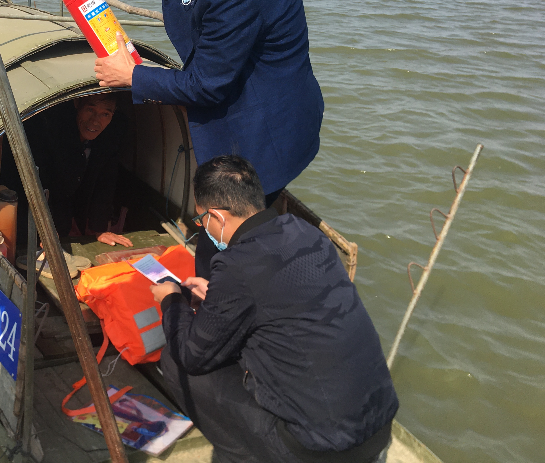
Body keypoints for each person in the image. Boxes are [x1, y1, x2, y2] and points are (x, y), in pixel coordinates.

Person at [57, 0, 325, 279]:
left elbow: (206, 84)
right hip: (277, 100)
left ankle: (223, 302)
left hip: (260, 132)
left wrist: (133, 76)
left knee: (222, 257)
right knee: (239, 246)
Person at [150, 156, 398, 463]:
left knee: (175, 360)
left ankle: (238, 456)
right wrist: (218, 295)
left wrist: (171, 299)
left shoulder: (237, 263)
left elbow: (192, 354)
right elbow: (278, 297)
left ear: (217, 217)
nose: (203, 227)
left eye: (202, 220)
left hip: (319, 451)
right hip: (378, 428)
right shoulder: (307, 233)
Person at [6, 94, 133, 254]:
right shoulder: (51, 128)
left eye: (105, 114)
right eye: (90, 110)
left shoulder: (112, 133)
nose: (95, 121)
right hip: (29, 200)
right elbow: (38, 180)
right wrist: (45, 228)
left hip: (67, 202)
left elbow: (106, 179)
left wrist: (99, 229)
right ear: (77, 103)